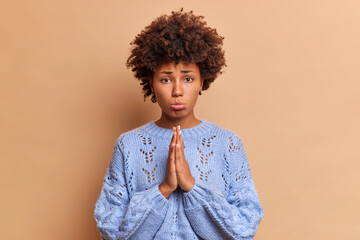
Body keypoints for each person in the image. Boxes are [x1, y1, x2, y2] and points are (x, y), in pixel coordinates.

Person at [94, 9, 264, 240]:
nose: (177, 90)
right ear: (151, 83)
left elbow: (244, 230)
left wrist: (191, 186)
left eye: (188, 79)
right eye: (165, 79)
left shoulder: (228, 143)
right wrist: (163, 189)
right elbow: (110, 230)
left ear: (202, 81)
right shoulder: (128, 145)